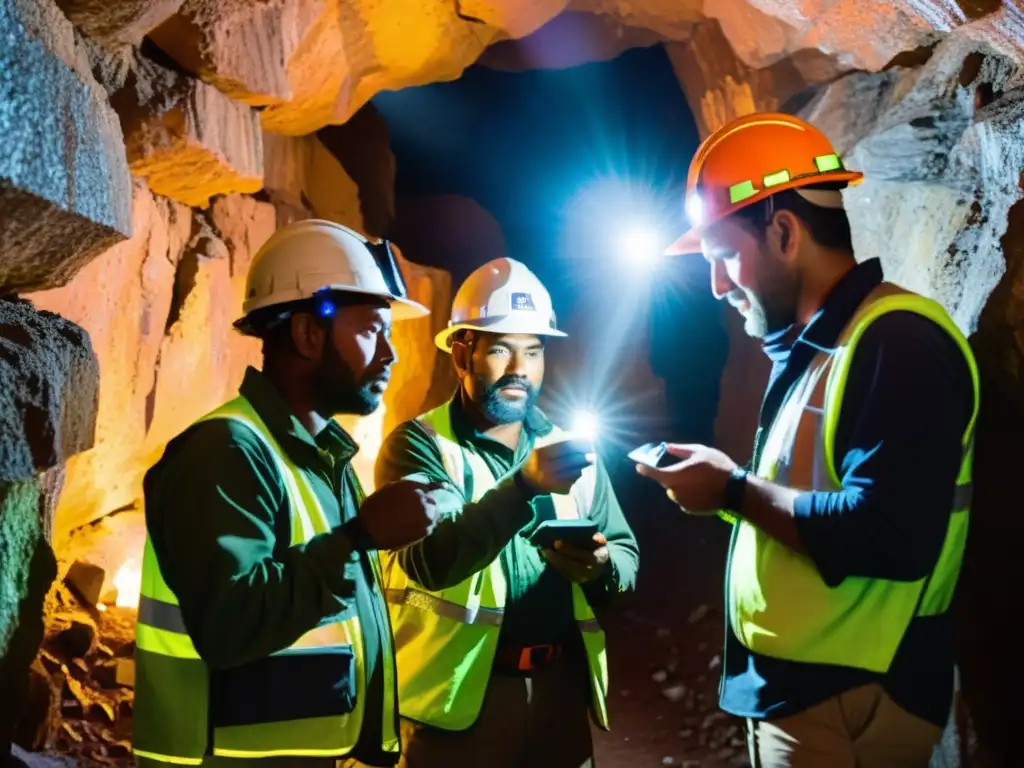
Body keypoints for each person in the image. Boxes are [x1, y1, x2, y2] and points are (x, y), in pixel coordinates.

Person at [638, 113, 978, 767]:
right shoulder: (824, 348)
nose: (716, 286)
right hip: (818, 690)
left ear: (785, 232)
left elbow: (891, 534)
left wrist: (731, 490)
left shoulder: (895, 343)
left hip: (854, 694)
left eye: (723, 255)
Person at [132, 219, 445, 768]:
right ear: (306, 334)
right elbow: (232, 625)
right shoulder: (225, 451)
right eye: (373, 329)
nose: (391, 355)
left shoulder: (324, 456)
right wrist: (359, 536)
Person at [374, 257, 639, 768]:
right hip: (453, 714)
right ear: (460, 353)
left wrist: (602, 569)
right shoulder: (420, 448)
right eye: (500, 349)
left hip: (558, 703)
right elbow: (431, 561)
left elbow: (625, 552)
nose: (520, 370)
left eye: (534, 352)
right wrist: (525, 487)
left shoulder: (569, 447)